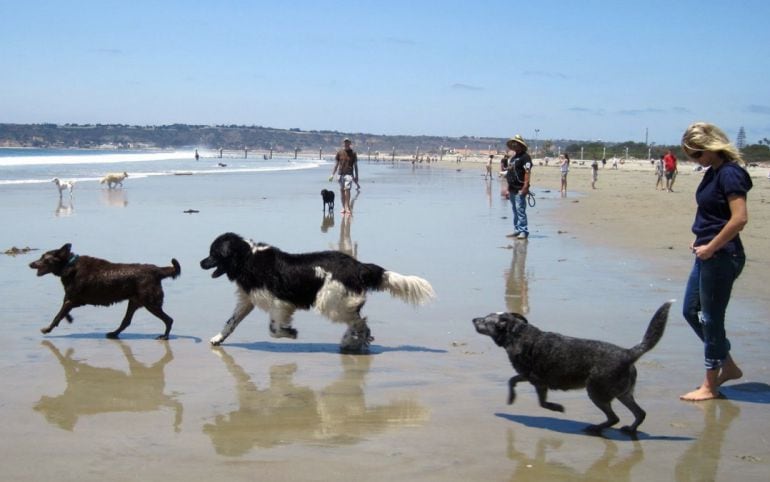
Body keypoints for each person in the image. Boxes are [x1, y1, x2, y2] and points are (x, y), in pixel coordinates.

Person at [679, 122, 753, 402]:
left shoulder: (731, 174)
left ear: (711, 148)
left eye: (697, 155)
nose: (695, 161)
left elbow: (739, 218)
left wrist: (711, 246)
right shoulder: (714, 173)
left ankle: (710, 385)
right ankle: (729, 365)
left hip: (722, 256)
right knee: (690, 311)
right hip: (707, 252)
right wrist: (701, 241)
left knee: (711, 319)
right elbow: (714, 216)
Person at [504, 135, 532, 240]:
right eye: (513, 144)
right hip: (512, 188)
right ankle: (517, 229)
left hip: (520, 187)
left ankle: (523, 230)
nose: (515, 145)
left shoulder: (525, 157)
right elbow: (509, 173)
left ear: (520, 145)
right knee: (515, 209)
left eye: (516, 143)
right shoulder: (513, 158)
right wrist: (507, 189)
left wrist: (525, 186)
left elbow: (527, 172)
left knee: (520, 209)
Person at [329, 138, 360, 215]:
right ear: (343, 143)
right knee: (342, 191)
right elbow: (336, 164)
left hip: (349, 174)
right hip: (340, 174)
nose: (346, 144)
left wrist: (356, 176)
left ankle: (347, 207)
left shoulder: (353, 153)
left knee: (347, 190)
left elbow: (355, 166)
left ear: (350, 143)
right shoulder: (339, 152)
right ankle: (343, 207)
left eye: (347, 142)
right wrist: (332, 175)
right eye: (345, 142)